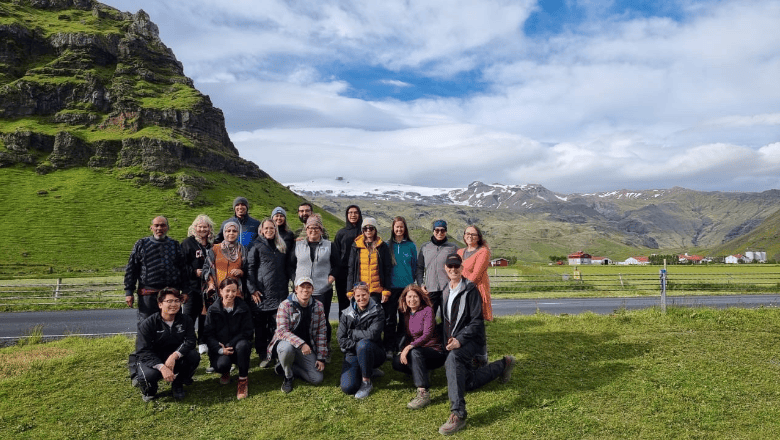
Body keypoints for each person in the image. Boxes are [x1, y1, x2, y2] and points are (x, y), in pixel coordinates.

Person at [438, 254, 516, 435]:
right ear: (445, 268)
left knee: (453, 359)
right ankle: (505, 363)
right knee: (468, 382)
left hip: (471, 341)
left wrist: (460, 340)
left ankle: (458, 414)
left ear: (461, 268)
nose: (453, 269)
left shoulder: (470, 289)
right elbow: (446, 321)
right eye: (450, 266)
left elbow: (476, 322)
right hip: (454, 341)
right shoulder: (445, 289)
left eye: (456, 266)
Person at [131, 288, 199, 402]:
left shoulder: (186, 320)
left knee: (194, 356)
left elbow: (190, 341)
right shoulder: (148, 324)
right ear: (160, 304)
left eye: (177, 301)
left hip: (173, 356)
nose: (174, 304)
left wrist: (174, 356)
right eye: (169, 301)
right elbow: (143, 350)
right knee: (148, 377)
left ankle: (178, 384)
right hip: (154, 358)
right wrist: (161, 367)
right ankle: (149, 390)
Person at [290, 214, 339, 359]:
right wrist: (295, 280)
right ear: (306, 229)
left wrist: (330, 279)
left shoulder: (330, 245)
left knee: (322, 320)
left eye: (316, 227)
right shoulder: (298, 245)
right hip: (301, 290)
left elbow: (337, 265)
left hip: (322, 289)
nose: (313, 230)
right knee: (301, 318)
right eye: (310, 227)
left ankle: (325, 347)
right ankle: (304, 347)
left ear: (321, 229)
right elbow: (290, 265)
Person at [267, 276, 327, 393]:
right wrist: (301, 344)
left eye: (308, 287)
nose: (305, 290)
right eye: (302, 287)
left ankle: (286, 367)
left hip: (306, 349)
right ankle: (288, 376)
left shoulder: (318, 306)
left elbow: (321, 333)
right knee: (287, 349)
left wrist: (321, 357)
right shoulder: (285, 305)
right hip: (287, 344)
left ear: (312, 290)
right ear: (296, 289)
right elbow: (282, 331)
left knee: (317, 379)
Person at [391, 285, 445, 409]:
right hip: (416, 350)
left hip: (434, 351)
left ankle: (423, 392)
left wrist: (408, 348)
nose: (412, 299)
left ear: (421, 297)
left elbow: (427, 335)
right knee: (396, 362)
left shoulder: (428, 310)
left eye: (415, 296)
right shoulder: (406, 313)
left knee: (415, 353)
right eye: (409, 296)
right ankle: (422, 372)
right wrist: (403, 349)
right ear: (404, 299)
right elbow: (407, 336)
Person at [124, 216, 188, 321]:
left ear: (167, 228)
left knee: (171, 324)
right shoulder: (141, 244)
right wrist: (129, 292)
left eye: (163, 225)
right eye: (156, 225)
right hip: (148, 294)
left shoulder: (175, 245)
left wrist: (185, 290)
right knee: (147, 324)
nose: (159, 228)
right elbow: (132, 268)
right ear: (151, 228)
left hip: (170, 294)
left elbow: (183, 270)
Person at [247, 218, 289, 364]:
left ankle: (276, 352)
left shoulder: (281, 245)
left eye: (272, 228)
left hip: (279, 293)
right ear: (261, 230)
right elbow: (250, 268)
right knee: (260, 327)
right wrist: (252, 290)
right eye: (266, 229)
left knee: (276, 326)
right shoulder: (256, 245)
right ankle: (262, 354)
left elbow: (286, 267)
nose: (269, 231)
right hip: (261, 293)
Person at [204, 277, 253, 400]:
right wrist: (220, 349)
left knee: (243, 345)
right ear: (220, 291)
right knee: (222, 365)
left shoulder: (244, 307)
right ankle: (225, 372)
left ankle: (243, 380)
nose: (230, 294)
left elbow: (247, 332)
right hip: (220, 347)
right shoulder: (212, 310)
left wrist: (230, 344)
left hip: (237, 345)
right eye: (227, 290)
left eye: (234, 291)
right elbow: (208, 334)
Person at [337, 283, 385, 399]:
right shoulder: (346, 313)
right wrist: (357, 346)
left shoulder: (378, 311)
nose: (361, 298)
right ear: (353, 296)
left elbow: (373, 335)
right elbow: (341, 339)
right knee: (348, 388)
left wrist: (352, 333)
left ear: (369, 294)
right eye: (358, 296)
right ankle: (367, 369)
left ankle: (366, 382)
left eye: (364, 295)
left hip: (374, 351)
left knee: (363, 345)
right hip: (352, 352)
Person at [457, 225, 493, 365]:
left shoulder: (483, 252)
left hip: (476, 292)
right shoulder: (460, 251)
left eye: (473, 234)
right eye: (467, 234)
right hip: (462, 292)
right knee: (465, 324)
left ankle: (482, 356)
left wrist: (459, 274)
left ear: (478, 237)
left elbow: (475, 276)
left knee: (477, 325)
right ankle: (468, 354)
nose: (470, 236)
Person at [181, 214, 215, 355]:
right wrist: (194, 271)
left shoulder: (212, 245)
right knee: (188, 316)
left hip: (208, 286)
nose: (202, 229)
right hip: (191, 286)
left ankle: (202, 341)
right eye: (199, 226)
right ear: (194, 228)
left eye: (205, 227)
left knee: (205, 315)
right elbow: (180, 264)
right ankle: (188, 341)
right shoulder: (187, 243)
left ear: (209, 229)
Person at [387, 216, 417, 358]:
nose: (399, 229)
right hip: (392, 287)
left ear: (405, 229)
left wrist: (415, 285)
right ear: (393, 228)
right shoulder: (387, 246)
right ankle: (389, 347)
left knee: (404, 318)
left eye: (401, 227)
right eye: (397, 227)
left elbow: (415, 266)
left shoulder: (410, 246)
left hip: (407, 288)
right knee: (390, 318)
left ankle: (402, 345)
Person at [415, 219, 458, 319]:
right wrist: (421, 284)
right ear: (433, 231)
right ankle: (430, 335)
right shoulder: (425, 247)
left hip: (447, 288)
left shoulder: (453, 248)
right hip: (430, 289)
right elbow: (420, 268)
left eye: (442, 230)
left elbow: (461, 266)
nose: (440, 233)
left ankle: (446, 335)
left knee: (447, 317)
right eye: (437, 230)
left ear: (446, 231)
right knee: (429, 317)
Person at [203, 221, 248, 305]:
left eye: (234, 231)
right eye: (228, 231)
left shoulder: (242, 250)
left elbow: (247, 268)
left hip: (235, 293)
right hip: (218, 292)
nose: (231, 233)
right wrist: (211, 284)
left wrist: (241, 272)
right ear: (224, 233)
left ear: (238, 233)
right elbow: (207, 268)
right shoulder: (215, 249)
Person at [334, 205, 363, 316]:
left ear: (359, 215)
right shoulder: (341, 233)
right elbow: (336, 255)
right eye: (350, 212)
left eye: (356, 212)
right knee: (344, 303)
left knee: (360, 302)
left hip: (361, 272)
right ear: (347, 215)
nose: (353, 215)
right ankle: (344, 330)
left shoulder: (364, 232)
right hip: (343, 274)